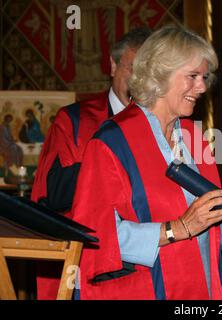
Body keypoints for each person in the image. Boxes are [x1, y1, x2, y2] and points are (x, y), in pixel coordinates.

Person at [71, 25, 222, 300]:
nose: (202, 87)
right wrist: (178, 229)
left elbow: (202, 229)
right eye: (193, 76)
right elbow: (96, 237)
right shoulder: (111, 142)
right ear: (160, 74)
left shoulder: (192, 137)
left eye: (205, 77)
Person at [31, 27, 153, 300]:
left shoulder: (169, 126)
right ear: (112, 65)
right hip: (91, 265)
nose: (140, 82)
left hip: (152, 266)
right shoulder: (74, 121)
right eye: (134, 69)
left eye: (149, 73)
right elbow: (52, 195)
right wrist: (111, 161)